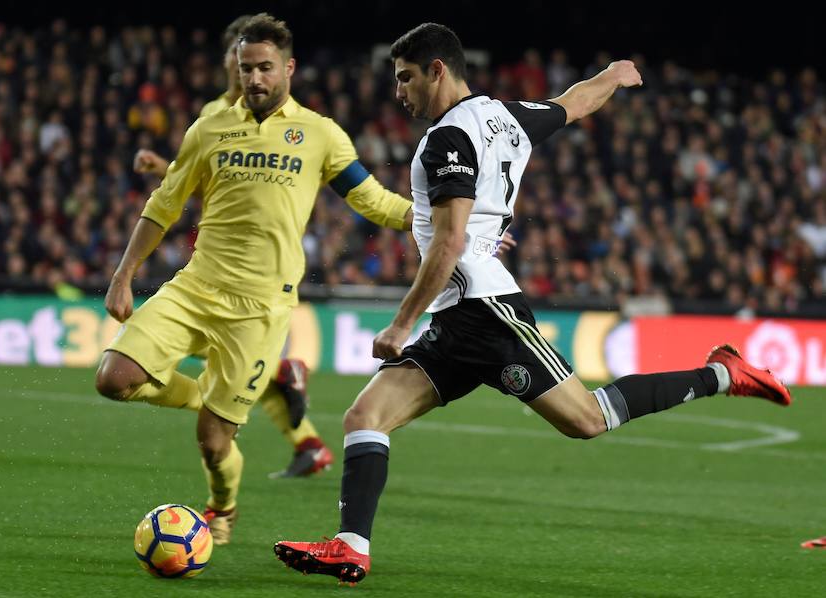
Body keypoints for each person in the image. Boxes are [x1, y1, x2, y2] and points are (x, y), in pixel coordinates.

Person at [273, 23, 792, 584]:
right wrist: (613, 75)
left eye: (406, 78)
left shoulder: (448, 140)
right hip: (460, 315)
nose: (400, 93)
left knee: (588, 420)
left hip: (485, 308)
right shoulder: (506, 117)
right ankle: (351, 547)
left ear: (438, 70)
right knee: (364, 416)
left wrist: (401, 324)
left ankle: (721, 373)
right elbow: (574, 103)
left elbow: (449, 243)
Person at [94, 13, 417, 546]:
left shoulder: (319, 134)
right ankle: (206, 394)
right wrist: (123, 274)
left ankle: (221, 508)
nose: (255, 79)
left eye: (265, 67)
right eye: (246, 68)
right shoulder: (210, 126)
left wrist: (433, 220)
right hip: (195, 287)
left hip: (261, 307)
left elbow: (370, 198)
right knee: (114, 378)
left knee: (213, 442)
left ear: (288, 68)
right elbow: (165, 203)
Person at [132, 15, 335, 480]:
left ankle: (286, 394)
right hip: (218, 261)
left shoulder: (285, 123)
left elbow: (245, 186)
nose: (242, 70)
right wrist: (167, 168)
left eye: (250, 62)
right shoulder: (215, 117)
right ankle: (307, 440)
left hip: (258, 271)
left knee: (228, 362)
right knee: (233, 368)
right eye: (237, 61)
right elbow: (208, 183)